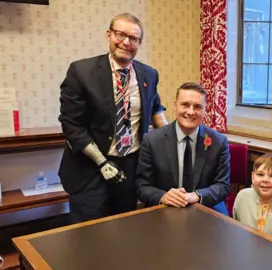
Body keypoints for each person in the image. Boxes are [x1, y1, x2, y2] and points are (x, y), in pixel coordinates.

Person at [58, 13, 168, 223]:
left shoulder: (149, 74)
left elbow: (156, 111)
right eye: (120, 34)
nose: (126, 42)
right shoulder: (82, 71)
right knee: (88, 235)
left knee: (123, 229)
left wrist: (176, 139)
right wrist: (102, 163)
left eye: (133, 38)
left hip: (130, 167)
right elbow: (72, 125)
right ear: (109, 35)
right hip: (89, 169)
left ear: (139, 43)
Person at [136, 82, 230, 215]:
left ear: (205, 109)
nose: (190, 112)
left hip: (207, 209)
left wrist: (197, 196)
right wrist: (163, 196)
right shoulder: (152, 140)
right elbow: (142, 185)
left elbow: (223, 186)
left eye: (197, 107)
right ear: (175, 105)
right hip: (166, 209)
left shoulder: (219, 142)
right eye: (185, 105)